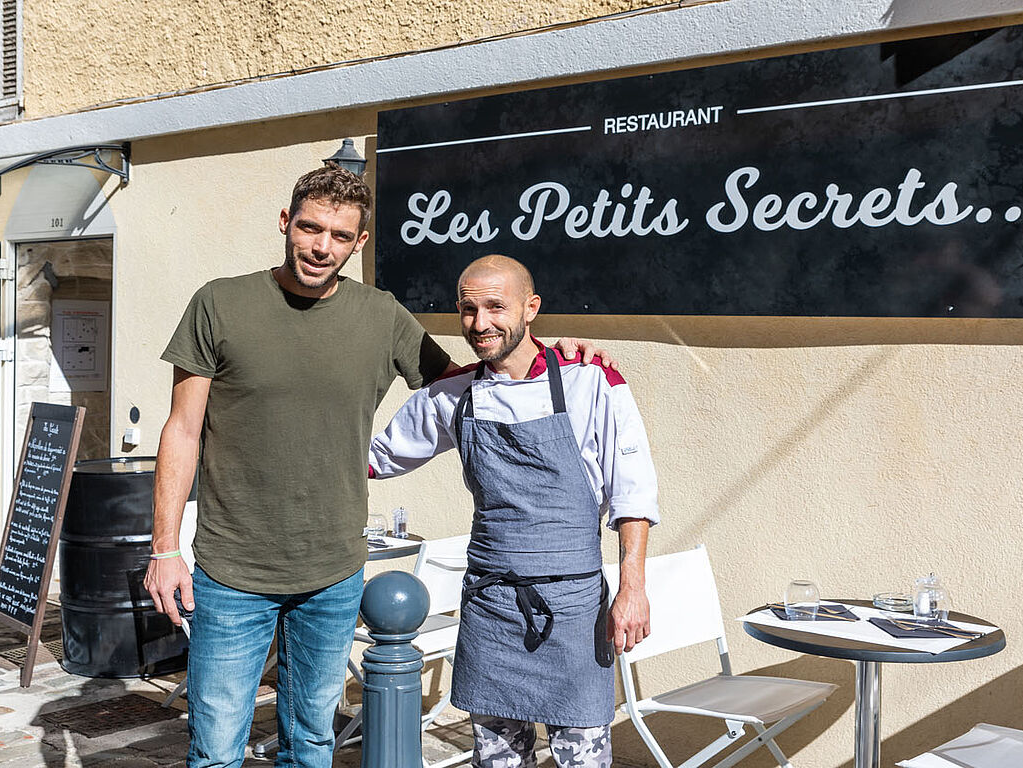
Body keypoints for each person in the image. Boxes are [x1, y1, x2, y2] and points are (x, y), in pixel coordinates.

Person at [143, 167, 611, 768]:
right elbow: (181, 431)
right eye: (310, 228)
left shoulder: (381, 315)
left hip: (334, 572)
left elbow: (472, 384)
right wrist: (164, 549)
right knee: (215, 749)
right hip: (233, 569)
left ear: (358, 244)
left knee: (311, 742)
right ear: (286, 224)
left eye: (339, 236)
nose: (320, 247)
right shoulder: (220, 303)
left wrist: (558, 359)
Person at [368, 254, 658, 768]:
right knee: (496, 759)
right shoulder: (452, 396)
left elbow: (632, 493)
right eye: (467, 309)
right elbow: (372, 459)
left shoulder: (592, 381)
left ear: (531, 308)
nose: (480, 324)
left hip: (573, 607)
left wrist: (632, 589)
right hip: (490, 605)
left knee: (583, 757)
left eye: (495, 307)